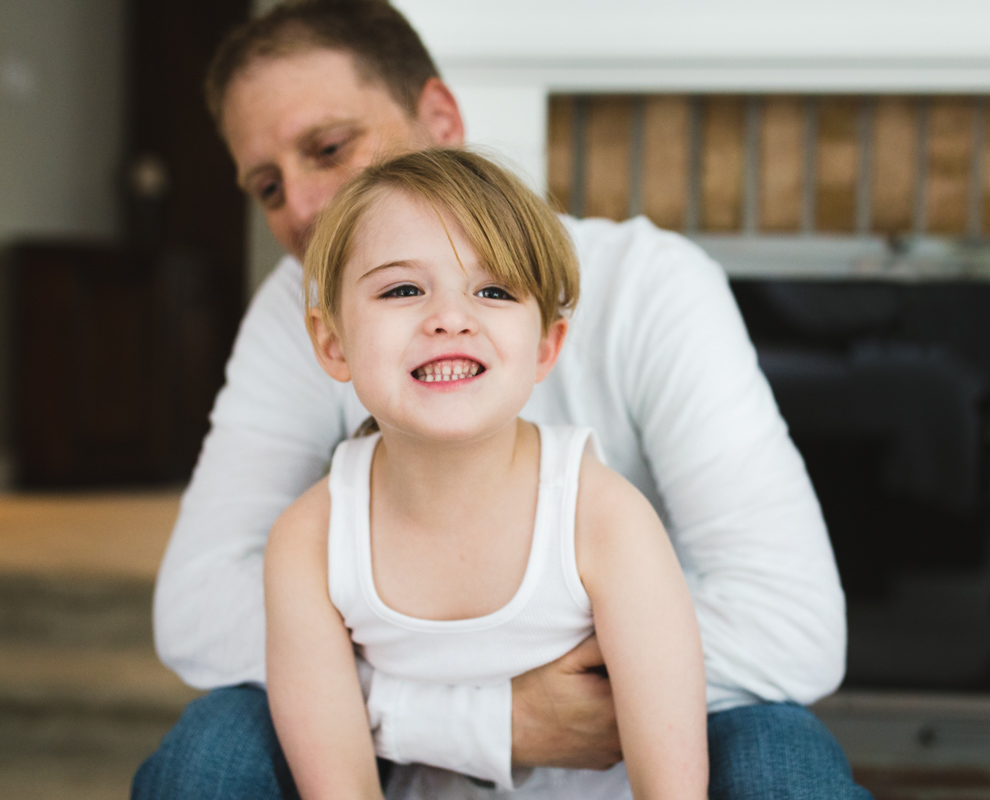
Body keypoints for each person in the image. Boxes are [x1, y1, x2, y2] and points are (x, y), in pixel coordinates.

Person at [135, 1, 868, 798]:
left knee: (782, 757)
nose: (304, 208)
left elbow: (792, 629)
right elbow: (197, 611)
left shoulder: (650, 292)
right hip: (385, 761)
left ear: (440, 118)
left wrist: (574, 698)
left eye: (330, 147)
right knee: (214, 751)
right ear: (331, 343)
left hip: (644, 737)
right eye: (269, 186)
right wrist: (491, 717)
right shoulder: (300, 316)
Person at [266, 147, 707, 800]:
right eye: (402, 289)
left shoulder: (602, 519)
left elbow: (672, 789)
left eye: (493, 290)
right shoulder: (309, 541)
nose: (449, 317)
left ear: (545, 348)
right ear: (333, 342)